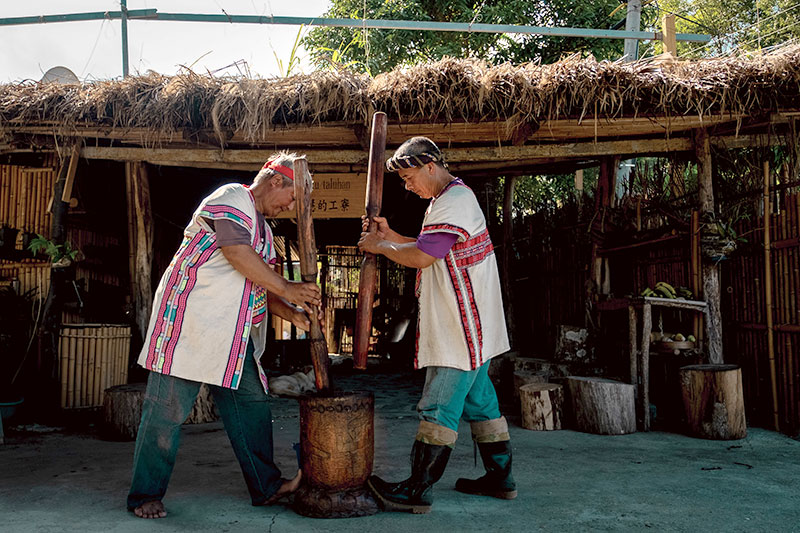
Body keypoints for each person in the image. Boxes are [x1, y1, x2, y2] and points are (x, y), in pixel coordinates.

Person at [127, 151, 321, 519]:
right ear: (276, 180)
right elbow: (235, 253)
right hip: (190, 323)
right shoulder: (231, 197)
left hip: (231, 335)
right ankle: (144, 495)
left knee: (252, 407)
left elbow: (259, 287)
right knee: (166, 412)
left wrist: (295, 314)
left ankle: (266, 487)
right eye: (293, 197)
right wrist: (289, 287)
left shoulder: (264, 231)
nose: (291, 206)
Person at [358, 137, 516, 514]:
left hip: (460, 327)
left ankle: (418, 488)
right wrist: (389, 236)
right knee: (481, 404)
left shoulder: (454, 202)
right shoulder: (449, 200)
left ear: (430, 167)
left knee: (437, 406)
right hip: (474, 326)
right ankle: (500, 479)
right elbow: (430, 245)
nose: (408, 186)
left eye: (410, 177)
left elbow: (425, 256)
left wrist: (379, 247)